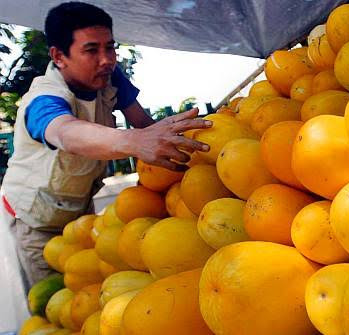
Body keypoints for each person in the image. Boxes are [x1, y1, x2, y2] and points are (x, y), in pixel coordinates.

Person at [0, 2, 212, 288]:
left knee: (92, 288)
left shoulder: (109, 78)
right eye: (91, 50)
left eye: (110, 47)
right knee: (57, 304)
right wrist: (134, 142)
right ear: (59, 56)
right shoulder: (43, 99)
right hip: (37, 223)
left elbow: (144, 124)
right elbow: (63, 131)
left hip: (80, 212)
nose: (106, 59)